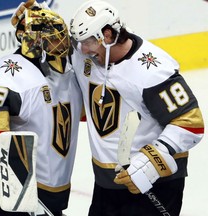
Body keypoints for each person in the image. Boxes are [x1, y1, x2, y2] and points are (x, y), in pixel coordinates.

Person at [69, 0, 205, 215]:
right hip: (107, 183)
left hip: (154, 185)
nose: (82, 49)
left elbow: (191, 123)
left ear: (107, 35)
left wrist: (150, 162)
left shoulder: (151, 70)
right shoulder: (85, 53)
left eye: (87, 41)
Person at [0, 4, 82, 216]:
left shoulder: (69, 72)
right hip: (6, 198)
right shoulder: (11, 72)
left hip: (47, 198)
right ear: (32, 41)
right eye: (51, 38)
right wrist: (6, 160)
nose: (60, 44)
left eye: (60, 36)